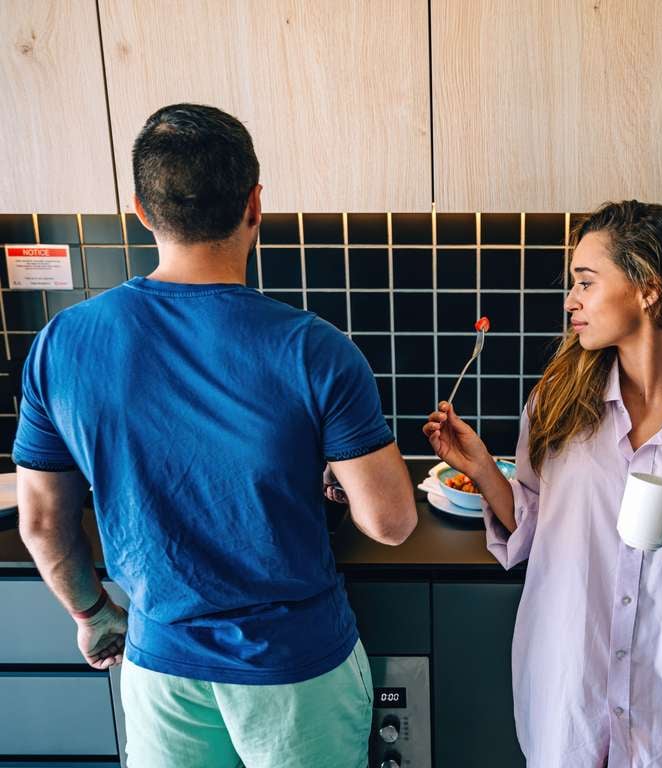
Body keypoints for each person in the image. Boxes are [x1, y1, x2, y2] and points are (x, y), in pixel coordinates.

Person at [14, 103, 417, 768]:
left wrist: (92, 614)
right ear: (254, 204)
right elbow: (393, 522)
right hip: (299, 672)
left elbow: (40, 521)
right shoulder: (314, 350)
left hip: (161, 668)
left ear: (142, 210)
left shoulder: (64, 343)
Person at [424, 201, 662, 767]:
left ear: (647, 289)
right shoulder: (556, 404)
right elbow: (533, 525)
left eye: (586, 282)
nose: (571, 300)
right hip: (567, 689)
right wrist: (479, 467)